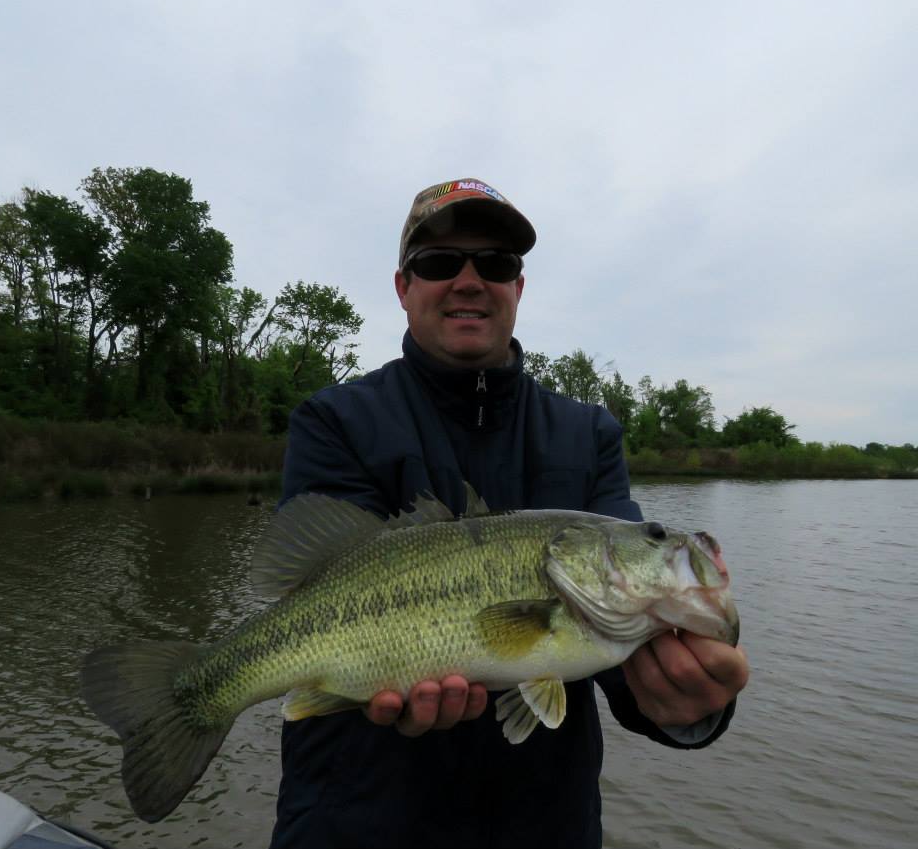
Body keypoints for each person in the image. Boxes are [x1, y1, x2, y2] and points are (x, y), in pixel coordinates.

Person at [269, 178, 749, 849]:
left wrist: (687, 706)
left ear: (518, 289)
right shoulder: (336, 421)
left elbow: (620, 660)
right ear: (403, 287)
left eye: (494, 264)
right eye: (441, 263)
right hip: (355, 825)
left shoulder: (588, 435)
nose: (469, 280)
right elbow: (314, 592)